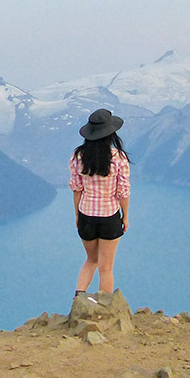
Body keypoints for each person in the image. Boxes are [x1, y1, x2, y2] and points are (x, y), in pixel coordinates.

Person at [69, 108, 130, 299]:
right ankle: (104, 310)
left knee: (90, 260)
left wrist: (78, 216)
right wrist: (125, 216)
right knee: (106, 268)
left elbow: (77, 189)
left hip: (86, 215)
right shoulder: (118, 158)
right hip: (110, 217)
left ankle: (79, 300)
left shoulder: (78, 156)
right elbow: (123, 192)